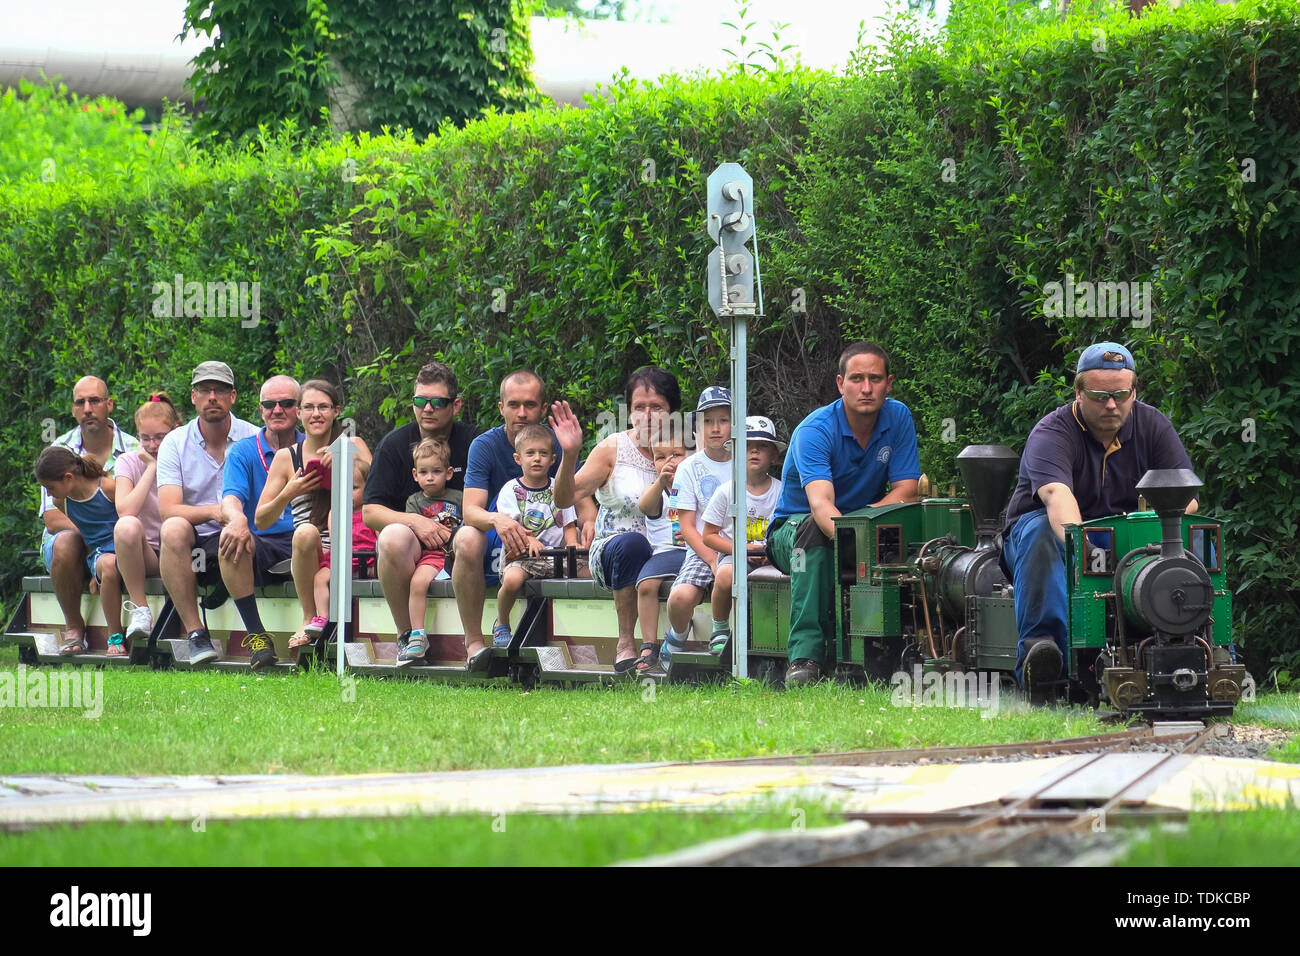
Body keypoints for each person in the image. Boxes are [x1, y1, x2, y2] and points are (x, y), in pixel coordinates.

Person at [1003, 342, 1198, 702]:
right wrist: (1091, 554)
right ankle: (1042, 656)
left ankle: (1209, 647)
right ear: (1078, 393)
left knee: (1198, 537)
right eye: (1099, 396)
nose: (1111, 404)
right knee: (1041, 531)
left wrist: (1149, 537)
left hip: (1126, 540)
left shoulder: (1153, 424)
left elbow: (1186, 499)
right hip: (1051, 539)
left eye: (1121, 395)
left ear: (1134, 391)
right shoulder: (1051, 432)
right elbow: (1057, 498)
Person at [767, 342, 921, 686]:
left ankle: (899, 650)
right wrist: (855, 539)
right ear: (840, 384)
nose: (866, 388)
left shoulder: (898, 417)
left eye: (875, 379)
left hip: (862, 521)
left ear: (889, 383)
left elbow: (906, 490)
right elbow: (821, 505)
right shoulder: (815, 429)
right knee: (813, 531)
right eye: (857, 379)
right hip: (794, 529)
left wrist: (863, 530)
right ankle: (805, 656)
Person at [452, 370, 596, 664]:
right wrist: (499, 521)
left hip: (551, 539)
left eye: (530, 405)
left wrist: (590, 524)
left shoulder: (556, 444)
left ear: (543, 409)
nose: (521, 412)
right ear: (500, 407)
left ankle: (588, 644)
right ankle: (475, 641)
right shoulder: (485, 445)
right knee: (465, 536)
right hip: (498, 530)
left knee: (597, 545)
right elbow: (470, 511)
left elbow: (581, 502)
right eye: (513, 404)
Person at [552, 366, 683, 673]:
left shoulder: (685, 448)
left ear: (673, 411)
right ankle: (626, 641)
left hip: (671, 548)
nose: (647, 416)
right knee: (633, 544)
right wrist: (570, 455)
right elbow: (563, 500)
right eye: (639, 407)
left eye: (657, 408)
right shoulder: (614, 447)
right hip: (615, 548)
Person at [363, 361, 477, 659]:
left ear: (456, 405)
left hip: (467, 543)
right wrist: (415, 521)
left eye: (437, 401)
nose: (427, 408)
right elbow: (371, 512)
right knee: (392, 537)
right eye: (419, 401)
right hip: (418, 551)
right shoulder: (394, 445)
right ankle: (405, 636)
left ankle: (476, 642)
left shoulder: (475, 443)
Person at [157, 361, 261, 665]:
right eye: (204, 390)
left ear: (233, 397)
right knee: (172, 528)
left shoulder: (254, 437)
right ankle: (196, 633)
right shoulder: (174, 443)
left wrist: (235, 519)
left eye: (220, 390)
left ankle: (257, 637)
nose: (212, 396)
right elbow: (168, 509)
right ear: (193, 397)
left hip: (246, 534)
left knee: (239, 531)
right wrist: (217, 512)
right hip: (198, 540)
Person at [254, 379, 371, 648]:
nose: (316, 414)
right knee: (305, 532)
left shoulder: (354, 444)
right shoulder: (287, 457)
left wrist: (348, 459)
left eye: (323, 407)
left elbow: (376, 490)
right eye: (308, 407)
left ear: (336, 411)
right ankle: (308, 616)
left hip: (354, 545)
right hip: (310, 549)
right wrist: (289, 492)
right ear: (298, 412)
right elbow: (261, 519)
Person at [37, 376, 138, 655]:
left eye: (94, 401)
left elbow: (134, 510)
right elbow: (53, 519)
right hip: (73, 538)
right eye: (80, 402)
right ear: (73, 410)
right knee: (67, 541)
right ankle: (74, 628)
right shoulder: (58, 449)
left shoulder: (134, 449)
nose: (87, 408)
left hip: (115, 539)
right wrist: (95, 544)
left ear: (109, 404)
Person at [214, 374, 306, 670]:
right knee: (230, 539)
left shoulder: (316, 447)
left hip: (311, 536)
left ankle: (323, 639)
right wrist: (237, 519)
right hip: (265, 540)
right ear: (260, 409)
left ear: (301, 409)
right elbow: (231, 499)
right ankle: (257, 637)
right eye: (269, 404)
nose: (277, 410)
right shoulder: (242, 451)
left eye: (287, 403)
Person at [657, 386, 733, 668]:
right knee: (680, 597)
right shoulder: (689, 468)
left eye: (723, 420)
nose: (716, 428)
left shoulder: (745, 461)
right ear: (698, 426)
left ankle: (725, 634)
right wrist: (712, 559)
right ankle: (677, 635)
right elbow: (686, 526)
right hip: (703, 548)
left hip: (740, 547)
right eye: (708, 421)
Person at [492, 423, 583, 649]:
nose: (537, 459)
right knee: (512, 581)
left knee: (590, 572)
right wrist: (529, 539)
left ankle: (579, 630)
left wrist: (573, 544)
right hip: (522, 556)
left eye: (543, 454)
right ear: (517, 458)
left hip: (557, 555)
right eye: (530, 453)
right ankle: (502, 622)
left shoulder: (559, 487)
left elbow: (570, 524)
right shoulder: (510, 490)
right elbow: (511, 526)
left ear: (553, 459)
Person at [700, 416, 785, 655]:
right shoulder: (727, 491)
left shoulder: (781, 491)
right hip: (734, 555)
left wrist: (772, 552)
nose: (754, 450)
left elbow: (788, 528)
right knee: (725, 576)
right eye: (747, 446)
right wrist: (741, 550)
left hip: (772, 556)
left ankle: (774, 635)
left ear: (774, 456)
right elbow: (708, 535)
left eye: (763, 446)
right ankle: (720, 628)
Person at [33, 447, 127, 655]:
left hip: (126, 548)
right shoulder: (62, 501)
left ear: (68, 478)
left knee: (110, 564)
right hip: (102, 555)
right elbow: (87, 535)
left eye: (49, 487)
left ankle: (118, 633)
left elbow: (129, 520)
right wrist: (94, 570)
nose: (48, 494)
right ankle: (112, 637)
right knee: (107, 566)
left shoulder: (109, 488)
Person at [112, 393, 184, 651]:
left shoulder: (184, 457)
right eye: (145, 438)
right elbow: (126, 510)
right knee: (126, 526)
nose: (153, 445)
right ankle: (140, 609)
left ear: (175, 430)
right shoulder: (128, 461)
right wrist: (152, 468)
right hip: (143, 555)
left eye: (160, 437)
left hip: (177, 548)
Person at [400, 438, 465, 662]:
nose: (430, 477)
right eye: (424, 472)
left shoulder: (459, 497)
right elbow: (412, 534)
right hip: (431, 555)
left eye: (436, 471)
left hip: (458, 555)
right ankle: (417, 634)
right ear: (415, 474)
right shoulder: (414, 502)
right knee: (417, 583)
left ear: (448, 473)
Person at [633, 437, 689, 672]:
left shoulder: (696, 485)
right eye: (660, 457)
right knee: (646, 585)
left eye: (676, 454)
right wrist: (660, 482)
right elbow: (644, 506)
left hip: (695, 550)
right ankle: (649, 644)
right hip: (665, 552)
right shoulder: (656, 492)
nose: (669, 462)